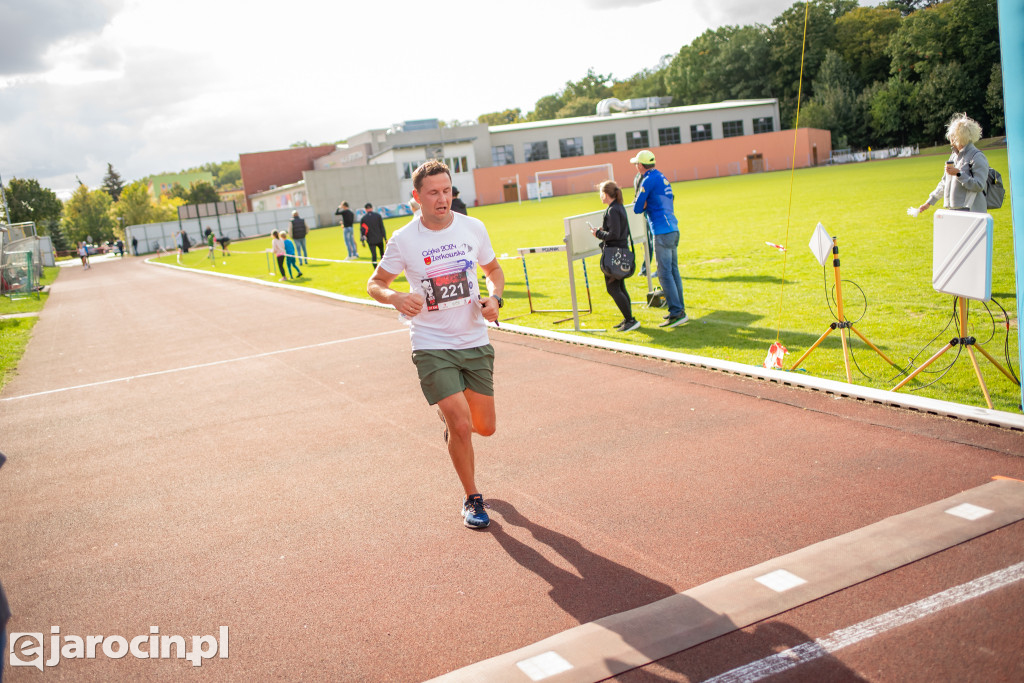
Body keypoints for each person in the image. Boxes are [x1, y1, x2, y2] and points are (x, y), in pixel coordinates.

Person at [366, 159, 505, 530]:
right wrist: (395, 297)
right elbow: (375, 283)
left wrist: (495, 298)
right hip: (431, 343)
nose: (442, 199)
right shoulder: (404, 239)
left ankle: (452, 412)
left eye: (447, 191)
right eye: (433, 193)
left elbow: (493, 271)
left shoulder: (473, 227)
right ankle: (473, 498)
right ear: (417, 197)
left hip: (475, 338)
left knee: (485, 427)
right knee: (461, 426)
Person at [631, 149, 688, 327]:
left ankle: (676, 312)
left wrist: (644, 202)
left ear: (641, 165)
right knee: (673, 271)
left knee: (664, 274)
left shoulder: (647, 180)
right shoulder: (662, 177)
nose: (635, 167)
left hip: (661, 231)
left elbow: (637, 207)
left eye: (636, 164)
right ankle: (679, 309)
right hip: (673, 228)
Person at [918, 113, 990, 215]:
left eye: (953, 136)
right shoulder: (954, 156)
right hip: (954, 210)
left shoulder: (977, 156)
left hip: (971, 211)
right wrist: (929, 202)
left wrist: (959, 174)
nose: (950, 139)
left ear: (961, 136)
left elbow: (979, 185)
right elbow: (944, 183)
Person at [590, 180, 639, 332]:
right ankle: (628, 317)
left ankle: (631, 320)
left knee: (613, 288)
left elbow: (614, 234)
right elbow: (615, 231)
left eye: (600, 193)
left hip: (614, 254)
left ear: (605, 194)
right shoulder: (617, 207)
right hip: (619, 251)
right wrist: (603, 230)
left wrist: (598, 233)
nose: (600, 196)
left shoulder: (613, 210)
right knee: (619, 287)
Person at [360, 203, 387, 268]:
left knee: (374, 255)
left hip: (370, 240)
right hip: (379, 238)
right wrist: (385, 238)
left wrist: (362, 241)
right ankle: (383, 268)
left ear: (365, 209)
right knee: (382, 254)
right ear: (372, 208)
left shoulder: (363, 218)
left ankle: (375, 270)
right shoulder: (378, 216)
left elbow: (362, 230)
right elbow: (382, 227)